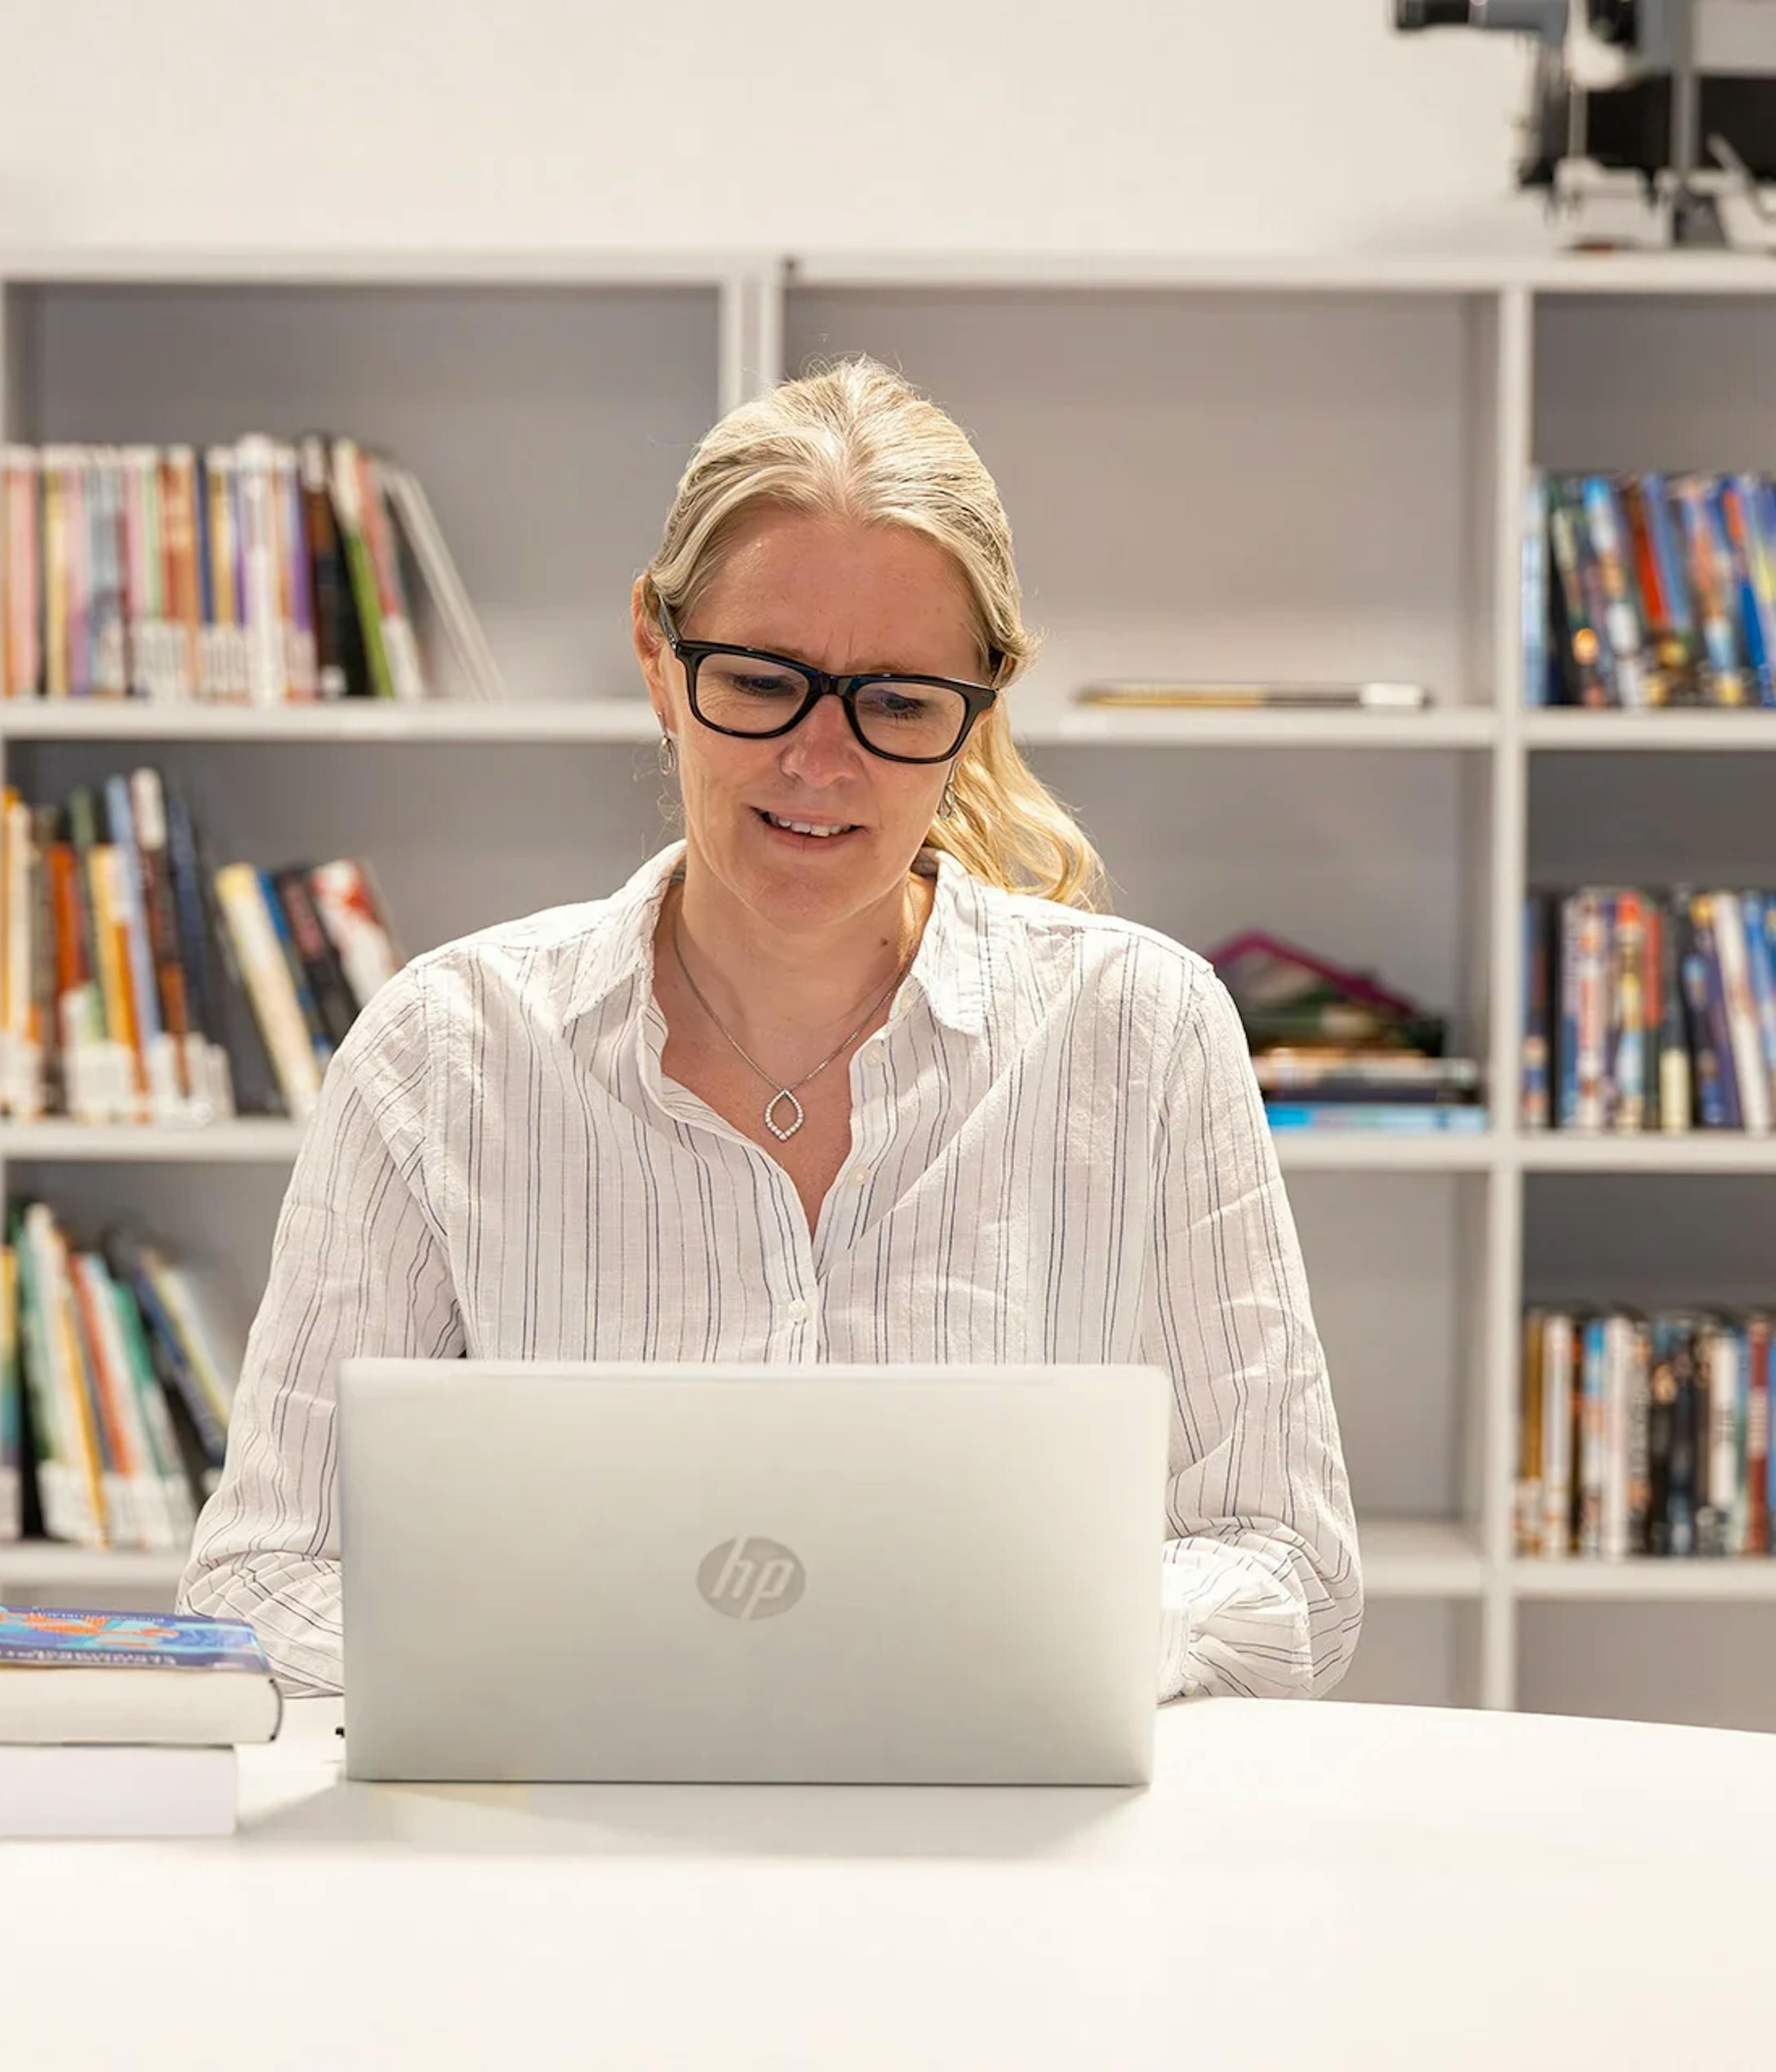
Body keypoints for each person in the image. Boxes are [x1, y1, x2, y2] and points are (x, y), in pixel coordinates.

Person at [179, 356, 1361, 1705]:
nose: (821, 761)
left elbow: (1290, 1565)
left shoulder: (1145, 1036)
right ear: (656, 655)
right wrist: (588, 1672)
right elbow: (261, 1577)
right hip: (573, 1819)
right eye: (760, 682)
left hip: (997, 1821)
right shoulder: (441, 1054)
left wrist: (1041, 1642)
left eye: (899, 703)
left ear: (978, 711)